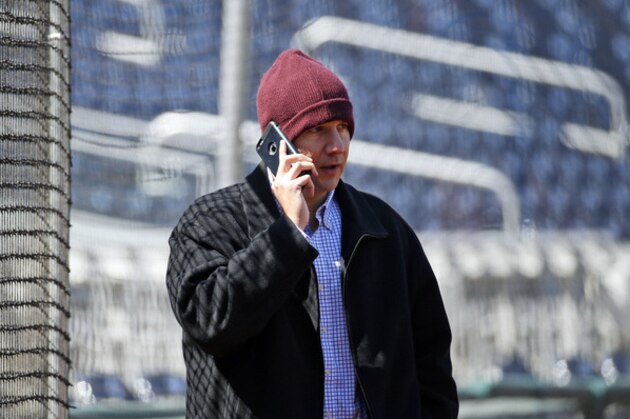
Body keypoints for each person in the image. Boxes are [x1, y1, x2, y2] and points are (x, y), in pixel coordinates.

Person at [166, 49, 458, 418]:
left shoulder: (385, 229)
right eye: (318, 130)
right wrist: (288, 233)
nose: (336, 145)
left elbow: (431, 362)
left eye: (342, 128)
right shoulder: (209, 220)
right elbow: (208, 323)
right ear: (279, 143)